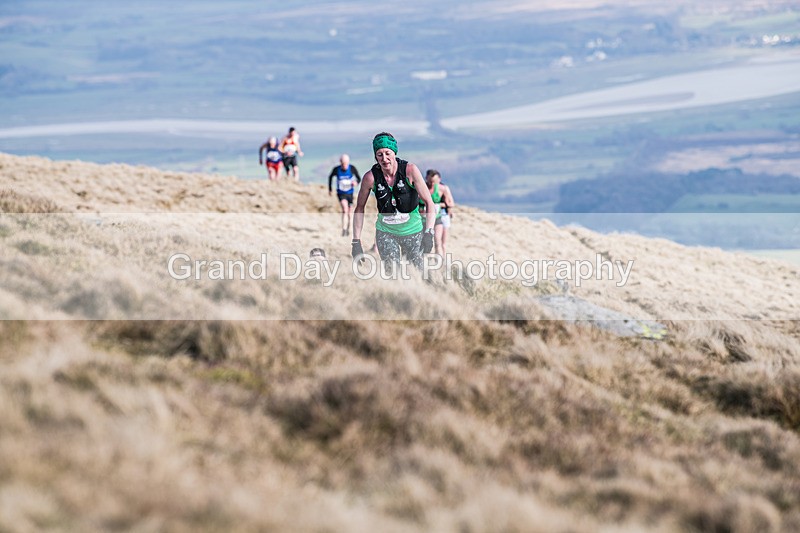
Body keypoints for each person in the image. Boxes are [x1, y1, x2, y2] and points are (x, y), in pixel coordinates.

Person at [351, 132, 436, 272]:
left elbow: (429, 202)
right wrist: (356, 242)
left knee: (420, 275)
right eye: (379, 154)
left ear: (394, 153)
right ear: (375, 156)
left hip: (413, 232)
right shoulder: (370, 178)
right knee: (393, 274)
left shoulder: (410, 171)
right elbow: (359, 208)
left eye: (387, 153)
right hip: (386, 232)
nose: (384, 159)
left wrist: (429, 232)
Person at [418, 169, 456, 256]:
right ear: (426, 179)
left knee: (437, 240)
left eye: (434, 182)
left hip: (437, 218)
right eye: (430, 181)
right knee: (423, 242)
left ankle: (440, 262)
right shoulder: (420, 188)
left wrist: (440, 205)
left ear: (439, 180)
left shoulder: (442, 189)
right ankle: (422, 262)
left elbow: (450, 203)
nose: (432, 184)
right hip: (422, 220)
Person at [328, 154, 362, 236]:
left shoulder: (352, 168)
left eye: (346, 163)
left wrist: (356, 183)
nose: (345, 165)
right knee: (345, 209)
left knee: (350, 212)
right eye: (343, 163)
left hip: (350, 193)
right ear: (340, 162)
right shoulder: (336, 169)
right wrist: (330, 189)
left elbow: (359, 178)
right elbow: (330, 177)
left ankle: (348, 229)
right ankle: (343, 229)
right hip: (341, 193)